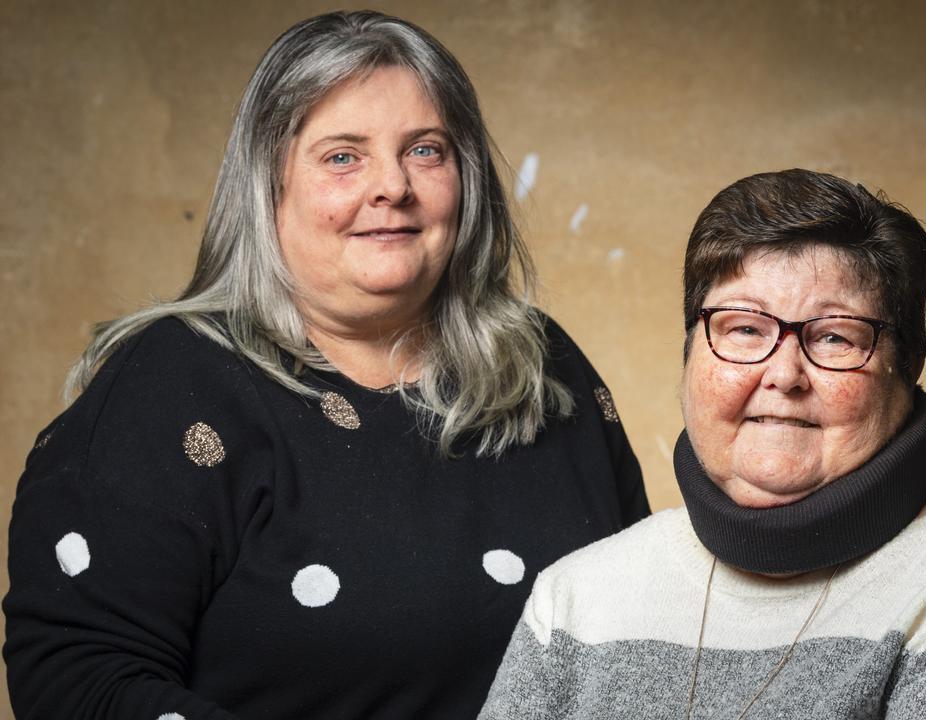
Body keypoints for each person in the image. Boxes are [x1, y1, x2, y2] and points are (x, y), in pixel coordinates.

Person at [4, 11, 648, 719]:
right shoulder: (169, 389)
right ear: (267, 185)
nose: (392, 187)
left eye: (426, 151)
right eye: (343, 156)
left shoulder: (543, 365)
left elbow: (643, 633)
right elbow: (78, 678)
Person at [479, 170, 926, 719]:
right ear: (689, 356)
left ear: (906, 364)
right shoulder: (577, 599)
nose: (783, 374)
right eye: (744, 329)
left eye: (835, 337)